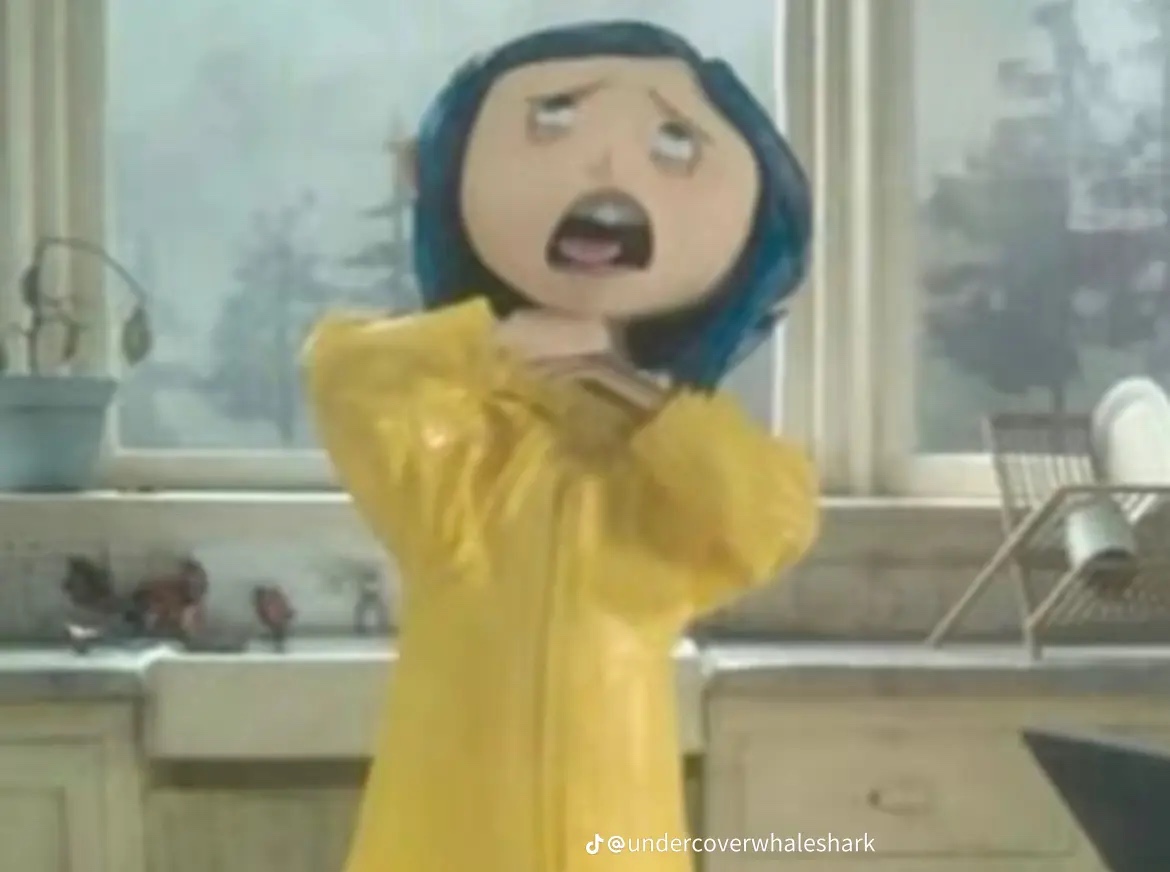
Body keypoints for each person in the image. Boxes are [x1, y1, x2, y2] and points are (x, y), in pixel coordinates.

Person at [302, 21, 818, 872]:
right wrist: (494, 341)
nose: (607, 164)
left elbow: (769, 520)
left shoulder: (666, 466)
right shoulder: (459, 457)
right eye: (552, 119)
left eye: (674, 139)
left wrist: (616, 381)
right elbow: (344, 369)